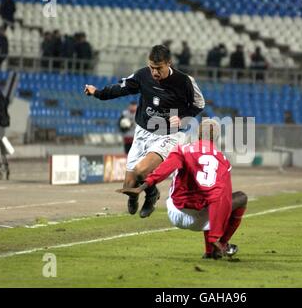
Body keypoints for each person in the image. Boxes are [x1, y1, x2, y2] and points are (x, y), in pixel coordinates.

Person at [84, 45, 205, 218]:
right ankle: (149, 192)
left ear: (169, 63)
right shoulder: (143, 75)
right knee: (129, 185)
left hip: (169, 134)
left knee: (141, 171)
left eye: (159, 68)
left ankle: (150, 195)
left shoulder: (185, 81)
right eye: (152, 67)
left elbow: (199, 104)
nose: (154, 72)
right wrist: (98, 93)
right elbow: (121, 89)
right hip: (142, 132)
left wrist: (183, 116)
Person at [117, 119, 247, 259]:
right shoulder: (222, 160)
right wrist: (214, 237)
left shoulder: (183, 150)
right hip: (203, 219)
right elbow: (220, 198)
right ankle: (219, 245)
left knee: (208, 199)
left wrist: (143, 187)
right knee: (237, 198)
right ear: (216, 138)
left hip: (176, 212)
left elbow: (163, 170)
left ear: (198, 134)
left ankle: (212, 251)